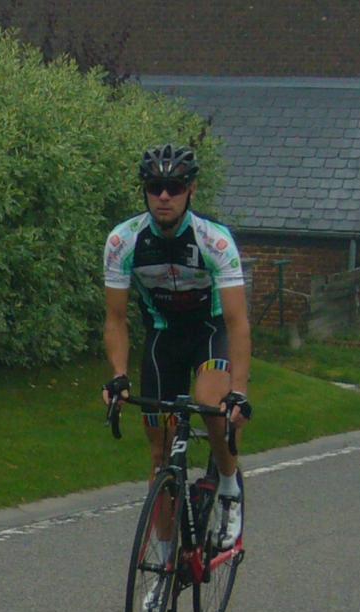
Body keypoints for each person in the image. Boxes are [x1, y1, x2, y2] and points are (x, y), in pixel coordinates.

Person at [101, 144, 253, 553]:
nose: (164, 196)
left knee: (210, 403)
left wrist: (239, 391)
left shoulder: (214, 241)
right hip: (163, 336)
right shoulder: (123, 241)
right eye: (155, 187)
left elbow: (237, 323)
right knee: (160, 455)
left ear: (191, 191)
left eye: (174, 187)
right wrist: (118, 376)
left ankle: (228, 486)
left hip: (210, 331)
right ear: (145, 191)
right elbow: (115, 318)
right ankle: (166, 561)